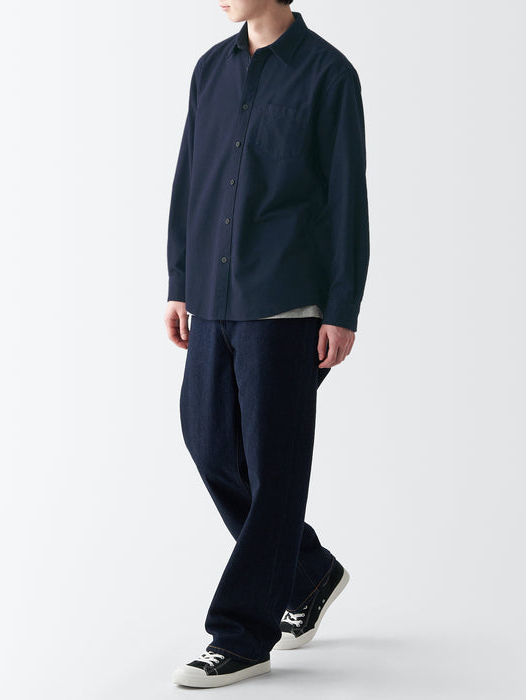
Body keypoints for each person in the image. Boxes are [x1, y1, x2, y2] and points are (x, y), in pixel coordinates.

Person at [164, 0, 370, 688]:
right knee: (209, 444)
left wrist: (342, 308)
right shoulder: (210, 70)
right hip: (213, 296)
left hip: (286, 300)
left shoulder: (328, 74)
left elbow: (345, 197)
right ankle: (308, 573)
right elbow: (191, 177)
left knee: (273, 468)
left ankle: (242, 634)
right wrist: (180, 281)